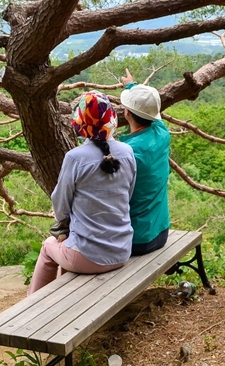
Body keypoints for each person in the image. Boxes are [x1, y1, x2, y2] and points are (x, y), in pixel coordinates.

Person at [28, 91, 137, 295]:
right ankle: (60, 299)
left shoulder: (75, 157)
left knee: (49, 246)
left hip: (87, 257)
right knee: (69, 247)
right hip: (122, 251)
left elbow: (60, 202)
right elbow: (127, 195)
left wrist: (64, 225)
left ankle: (31, 304)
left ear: (79, 123)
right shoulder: (127, 152)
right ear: (112, 120)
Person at [118, 70, 171, 256]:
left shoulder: (126, 152)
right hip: (160, 233)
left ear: (127, 113)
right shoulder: (162, 133)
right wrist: (131, 86)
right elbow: (149, 110)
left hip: (134, 240)